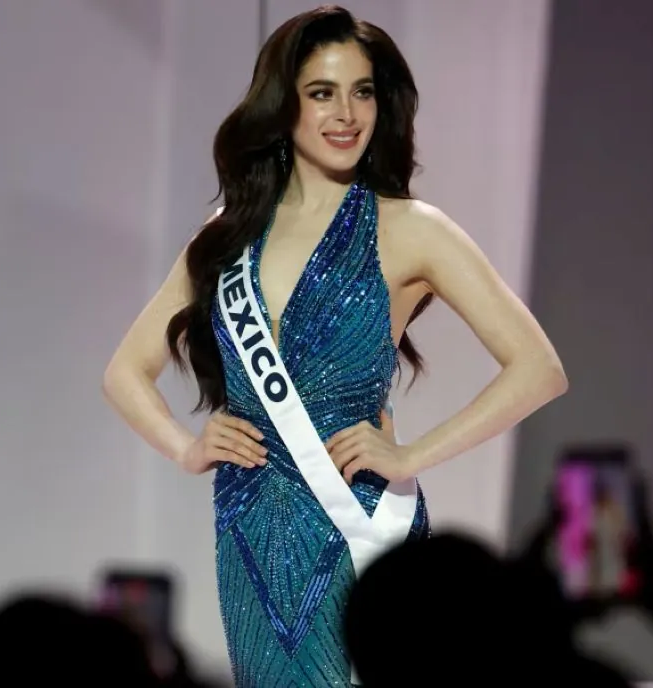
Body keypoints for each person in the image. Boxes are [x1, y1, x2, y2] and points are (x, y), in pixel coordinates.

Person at [102, 6, 567, 686]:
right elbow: (125, 372)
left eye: (363, 91)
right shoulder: (227, 236)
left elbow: (539, 368)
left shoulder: (411, 229)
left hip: (362, 526)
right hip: (250, 531)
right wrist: (186, 447)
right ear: (282, 105)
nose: (347, 113)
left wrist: (411, 454)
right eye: (323, 92)